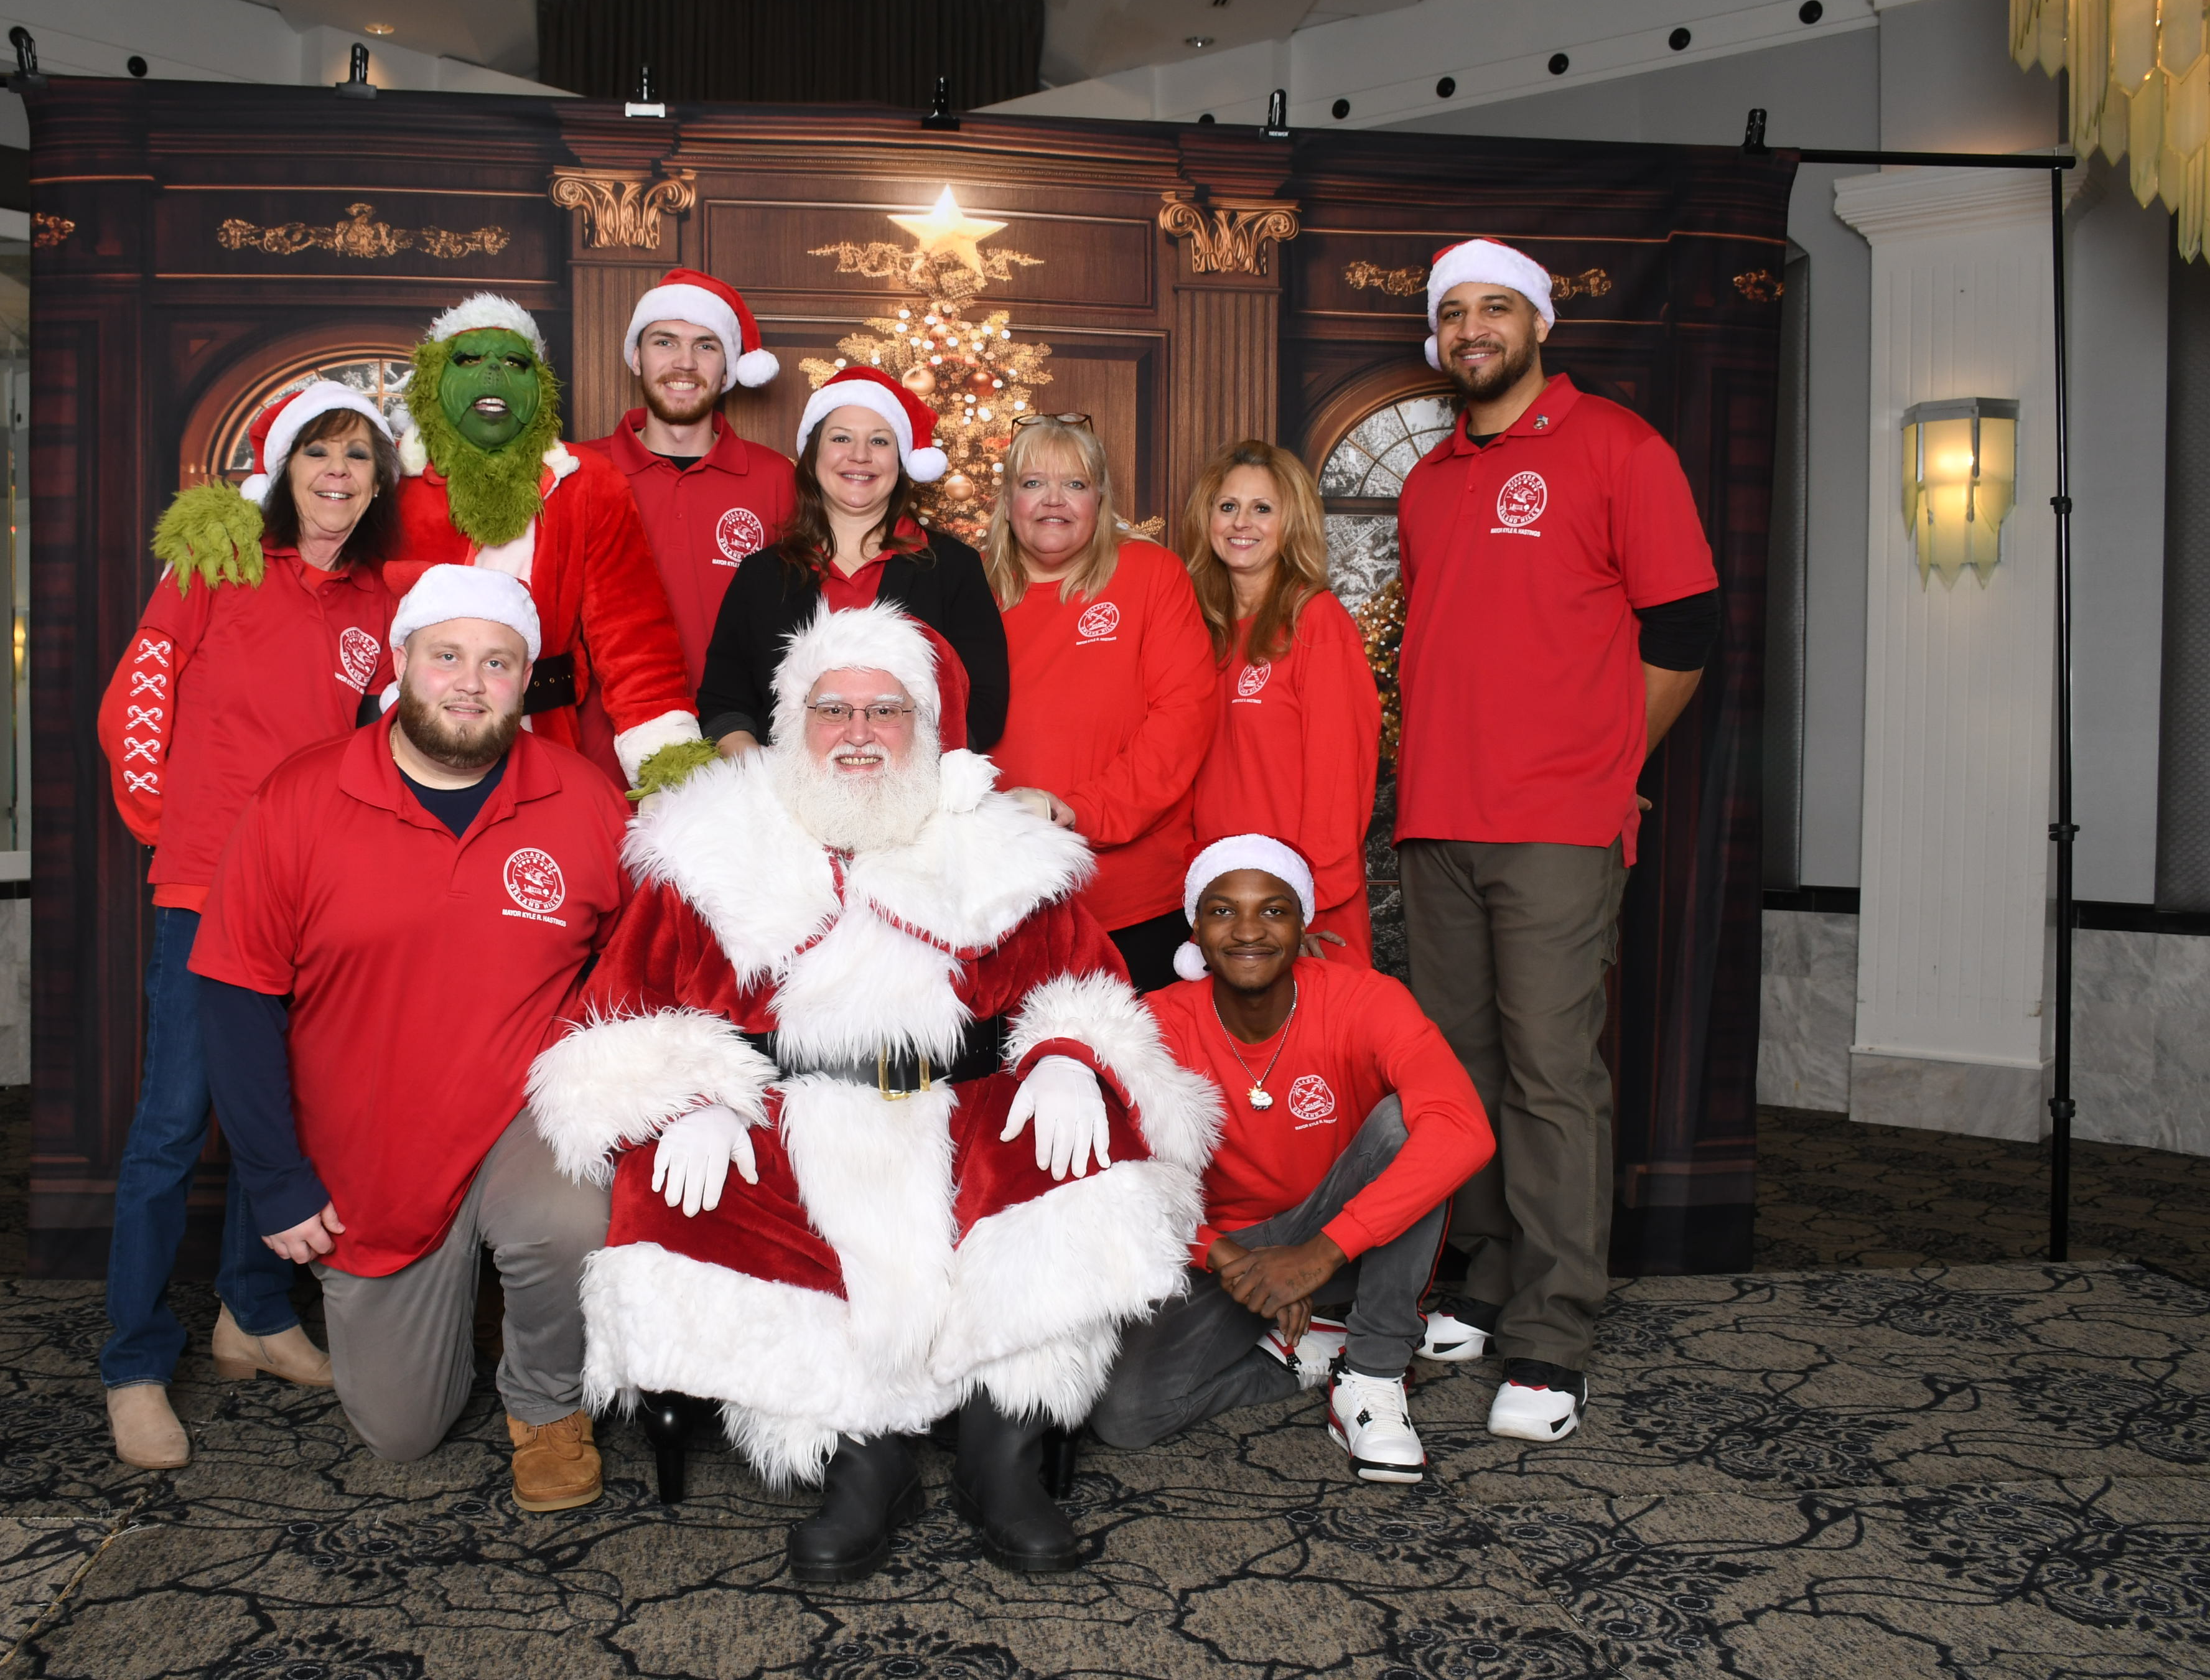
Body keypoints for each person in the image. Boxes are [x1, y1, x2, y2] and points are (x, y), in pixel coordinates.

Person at [528, 602, 1215, 1582]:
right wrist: (692, 1096)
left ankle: (1002, 1447)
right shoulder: (708, 849)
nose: (858, 734)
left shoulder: (998, 848)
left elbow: (1089, 984)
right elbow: (615, 1014)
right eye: (834, 711)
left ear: (924, 727)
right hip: (776, 1119)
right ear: (792, 726)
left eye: (885, 711)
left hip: (969, 1109)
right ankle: (860, 1457)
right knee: (688, 1186)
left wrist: (1069, 1054)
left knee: (1075, 1153)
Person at [190, 566, 628, 1511]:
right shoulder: (298, 798)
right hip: (372, 1144)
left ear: (526, 680)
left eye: (498, 663)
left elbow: (640, 968)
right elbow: (234, 997)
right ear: (399, 662)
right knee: (402, 1431)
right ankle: (454, 1319)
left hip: (522, 1113)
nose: (470, 683)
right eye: (447, 656)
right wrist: (275, 1176)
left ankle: (546, 1401)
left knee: (570, 1220)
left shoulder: (586, 798)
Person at [1391, 238, 1720, 1444]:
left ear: (1540, 324)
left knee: (1549, 1075)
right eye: (1453, 312)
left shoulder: (1620, 448)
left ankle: (1554, 1328)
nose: (1472, 328)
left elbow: (1684, 630)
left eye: (1497, 308)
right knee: (1462, 1071)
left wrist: (1608, 765)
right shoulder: (1429, 479)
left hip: (1554, 827)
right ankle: (1486, 1272)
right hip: (1436, 816)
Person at [91, 381, 401, 1471]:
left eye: (358, 456)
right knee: (173, 1125)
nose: (338, 472)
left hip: (310, 898)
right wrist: (172, 827)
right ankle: (133, 1364)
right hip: (204, 888)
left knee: (285, 1115)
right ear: (283, 468)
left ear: (378, 481)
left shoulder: (380, 605)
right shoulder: (215, 563)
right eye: (319, 451)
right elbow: (136, 700)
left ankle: (254, 1313)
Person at [160, 294, 706, 796]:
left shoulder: (587, 482)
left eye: (514, 363)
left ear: (542, 389)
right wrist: (233, 521)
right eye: (469, 360)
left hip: (543, 737)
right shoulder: (389, 477)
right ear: (432, 381)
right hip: (399, 739)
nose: (493, 374)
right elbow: (315, 544)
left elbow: (634, 635)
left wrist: (665, 755)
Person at [1090, 837, 1494, 1482]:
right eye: (1223, 911)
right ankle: (1306, 1355)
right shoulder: (1156, 1023)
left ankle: (1374, 1372)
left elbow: (1464, 1129)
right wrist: (1224, 1257)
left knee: (1405, 1124)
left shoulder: (1366, 998)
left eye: (1273, 911)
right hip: (1230, 1255)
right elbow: (1116, 1177)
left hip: (1347, 1240)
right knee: (1126, 1415)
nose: (1248, 931)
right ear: (1196, 928)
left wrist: (1319, 1254)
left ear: (1303, 924)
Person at [984, 414, 1219, 991]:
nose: (1053, 500)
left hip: (1131, 900)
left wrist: (1079, 811)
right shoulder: (973, 587)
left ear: (1100, 499)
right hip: (998, 896)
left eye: (1076, 484)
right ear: (1009, 501)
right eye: (1033, 483)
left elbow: (1182, 721)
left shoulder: (1151, 574)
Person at [698, 366, 1009, 754]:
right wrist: (761, 772)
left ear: (902, 460)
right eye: (841, 438)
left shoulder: (954, 567)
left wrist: (900, 768)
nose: (860, 456)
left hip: (916, 786)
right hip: (781, 787)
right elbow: (724, 703)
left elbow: (984, 706)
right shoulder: (761, 575)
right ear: (813, 456)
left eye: (879, 441)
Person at [1182, 441, 1384, 964]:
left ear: (1290, 522)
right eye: (1228, 506)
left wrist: (1304, 903)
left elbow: (1342, 776)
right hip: (1220, 898)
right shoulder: (1199, 629)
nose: (1241, 523)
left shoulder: (1315, 620)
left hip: (1301, 906)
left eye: (1262, 509)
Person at [580, 268, 796, 694]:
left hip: (735, 727)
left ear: (728, 370)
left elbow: (798, 620)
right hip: (606, 729)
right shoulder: (580, 468)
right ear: (637, 358)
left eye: (706, 345)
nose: (685, 362)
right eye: (665, 342)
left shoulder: (775, 476)